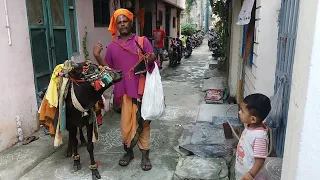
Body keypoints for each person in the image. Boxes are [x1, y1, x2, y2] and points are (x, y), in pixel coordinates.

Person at [93, 8, 158, 171]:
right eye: (119, 22)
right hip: (123, 94)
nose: (122, 25)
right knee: (126, 126)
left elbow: (154, 65)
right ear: (116, 25)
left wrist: (151, 59)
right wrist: (97, 57)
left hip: (142, 92)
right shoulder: (113, 47)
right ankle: (128, 152)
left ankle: (145, 155)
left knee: (144, 124)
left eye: (125, 21)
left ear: (131, 22)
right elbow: (109, 71)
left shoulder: (142, 42)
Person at [236, 93, 271, 180]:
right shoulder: (250, 126)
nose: (239, 112)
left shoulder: (259, 137)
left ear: (253, 119)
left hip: (251, 175)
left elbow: (260, 161)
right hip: (243, 171)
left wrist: (250, 175)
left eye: (242, 111)